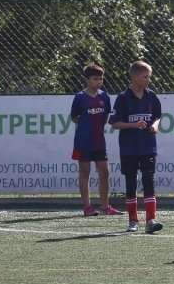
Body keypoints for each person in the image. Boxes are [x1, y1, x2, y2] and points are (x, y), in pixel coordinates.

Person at [109, 60, 164, 233]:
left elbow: (157, 116)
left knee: (149, 181)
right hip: (129, 148)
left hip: (148, 147)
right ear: (134, 77)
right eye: (145, 76)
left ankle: (151, 220)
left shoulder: (151, 96)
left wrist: (155, 125)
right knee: (131, 183)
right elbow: (115, 124)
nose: (148, 80)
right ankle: (133, 220)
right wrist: (134, 125)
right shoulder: (123, 98)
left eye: (149, 76)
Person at [69, 64, 121, 217]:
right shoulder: (79, 97)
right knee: (85, 172)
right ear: (87, 79)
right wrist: (86, 126)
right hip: (82, 141)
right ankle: (87, 207)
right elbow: (74, 117)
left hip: (99, 141)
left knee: (104, 172)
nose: (99, 82)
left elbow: (105, 117)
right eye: (95, 79)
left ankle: (105, 206)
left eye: (101, 79)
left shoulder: (104, 96)